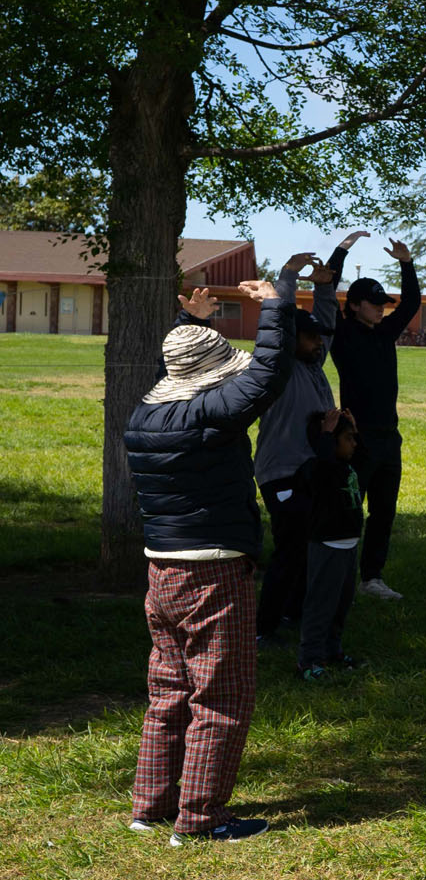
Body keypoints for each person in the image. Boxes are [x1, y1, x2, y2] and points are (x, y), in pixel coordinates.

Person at [124, 254, 317, 843]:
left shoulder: (144, 417)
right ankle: (203, 818)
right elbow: (265, 373)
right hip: (212, 570)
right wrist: (277, 306)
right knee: (221, 694)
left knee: (169, 690)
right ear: (210, 382)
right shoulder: (210, 413)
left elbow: (187, 368)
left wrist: (193, 323)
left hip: (161, 569)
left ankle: (150, 806)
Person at [254, 231, 365, 643]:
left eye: (319, 338)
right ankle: (265, 627)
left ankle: (294, 614)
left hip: (310, 469)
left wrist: (322, 285)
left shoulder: (314, 363)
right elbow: (280, 322)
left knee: (307, 546)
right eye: (309, 336)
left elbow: (328, 324)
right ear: (291, 340)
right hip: (281, 472)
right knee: (290, 548)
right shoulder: (278, 367)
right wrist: (288, 275)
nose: (318, 342)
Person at [330, 238, 419, 601]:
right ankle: (340, 576)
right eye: (375, 304)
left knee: (384, 512)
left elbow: (411, 303)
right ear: (353, 305)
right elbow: (325, 290)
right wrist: (341, 252)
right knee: (351, 510)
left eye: (384, 305)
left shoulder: (384, 334)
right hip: (356, 436)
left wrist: (407, 263)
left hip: (388, 436)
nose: (382, 310)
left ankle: (372, 578)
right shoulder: (341, 333)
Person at [298, 408, 366, 680]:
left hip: (348, 545)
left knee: (341, 603)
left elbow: (363, 454)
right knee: (321, 605)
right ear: (329, 442)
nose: (354, 444)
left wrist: (354, 428)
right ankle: (309, 660)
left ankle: (331, 650)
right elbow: (324, 459)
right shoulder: (319, 469)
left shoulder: (347, 465)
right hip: (328, 546)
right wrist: (326, 434)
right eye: (348, 438)